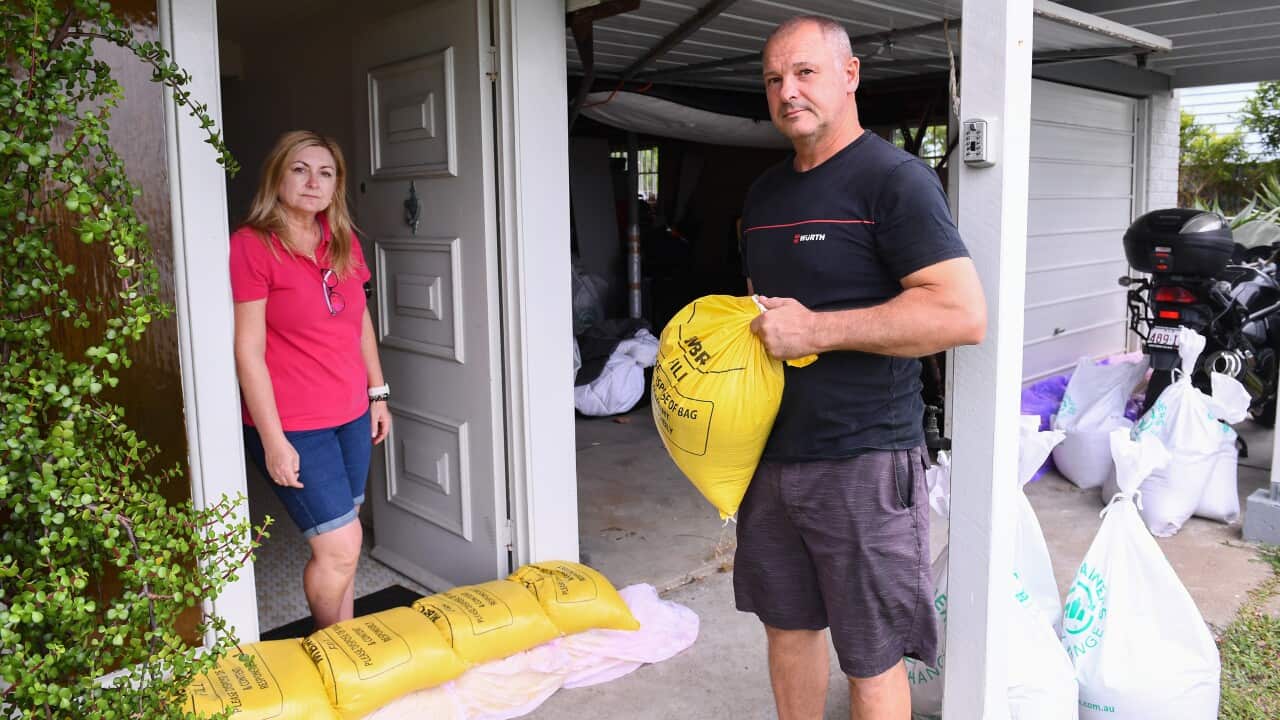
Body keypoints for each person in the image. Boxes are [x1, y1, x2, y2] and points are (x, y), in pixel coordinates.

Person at [736, 16, 987, 720]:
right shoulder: (764, 195)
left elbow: (959, 315)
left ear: (849, 76)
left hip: (865, 462)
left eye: (806, 72)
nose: (788, 92)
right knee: (787, 626)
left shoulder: (894, 181)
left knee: (870, 652)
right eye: (774, 79)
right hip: (768, 455)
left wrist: (817, 329)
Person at [229, 130, 392, 629]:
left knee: (345, 546)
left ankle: (343, 648)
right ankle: (329, 645)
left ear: (336, 185)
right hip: (295, 423)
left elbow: (359, 319)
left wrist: (378, 394)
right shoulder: (251, 247)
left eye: (325, 173)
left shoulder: (342, 240)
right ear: (277, 175)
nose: (312, 182)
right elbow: (248, 350)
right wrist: (273, 439)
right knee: (339, 548)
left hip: (351, 414)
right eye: (300, 169)